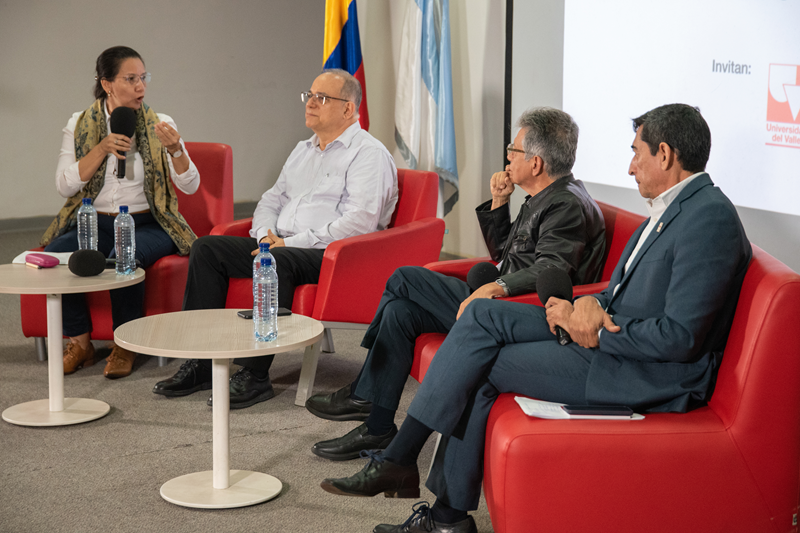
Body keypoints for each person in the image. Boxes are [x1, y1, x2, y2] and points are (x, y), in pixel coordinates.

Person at [319, 104, 752, 533]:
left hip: (642, 371)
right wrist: (587, 306)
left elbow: (681, 337)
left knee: (478, 363)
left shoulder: (707, 217)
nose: (630, 166)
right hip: (609, 341)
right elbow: (617, 292)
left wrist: (598, 330)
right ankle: (417, 483)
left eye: (636, 153)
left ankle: (420, 485)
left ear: (666, 154)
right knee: (482, 316)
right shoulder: (669, 210)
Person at [305, 107, 606, 462]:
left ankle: (363, 392)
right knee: (401, 313)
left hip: (518, 313)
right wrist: (500, 203)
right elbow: (508, 258)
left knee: (404, 277)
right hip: (505, 301)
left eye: (513, 150)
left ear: (536, 163)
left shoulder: (565, 204)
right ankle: (378, 425)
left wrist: (496, 287)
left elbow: (550, 269)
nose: (508, 156)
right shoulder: (546, 197)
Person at [152, 68, 398, 408]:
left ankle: (255, 375)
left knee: (277, 260)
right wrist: (264, 237)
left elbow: (360, 223)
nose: (310, 103)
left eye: (322, 98)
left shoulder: (368, 154)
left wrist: (288, 244)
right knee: (207, 248)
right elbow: (271, 199)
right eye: (309, 95)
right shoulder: (303, 149)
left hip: (333, 257)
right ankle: (201, 363)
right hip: (281, 245)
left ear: (348, 108)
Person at [42, 46, 200, 379]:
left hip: (149, 222)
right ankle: (79, 343)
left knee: (124, 255)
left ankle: (125, 344)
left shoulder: (161, 123)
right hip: (95, 221)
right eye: (131, 79)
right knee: (56, 256)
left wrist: (176, 150)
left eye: (143, 77)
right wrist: (101, 149)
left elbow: (191, 185)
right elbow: (64, 186)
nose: (141, 86)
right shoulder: (79, 123)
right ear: (107, 84)